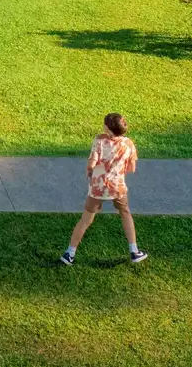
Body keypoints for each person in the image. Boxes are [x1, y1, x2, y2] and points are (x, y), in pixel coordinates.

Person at [60, 113, 147, 266]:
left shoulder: (99, 140)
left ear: (107, 128)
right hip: (117, 188)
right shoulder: (128, 144)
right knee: (125, 213)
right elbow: (132, 168)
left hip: (98, 188)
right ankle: (134, 251)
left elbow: (92, 163)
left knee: (86, 220)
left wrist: (90, 171)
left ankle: (70, 253)